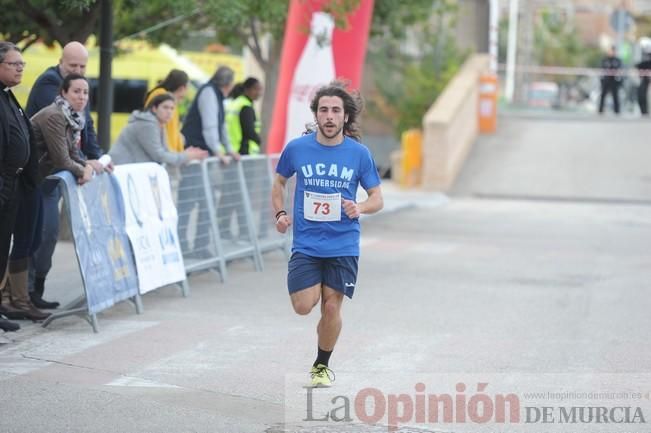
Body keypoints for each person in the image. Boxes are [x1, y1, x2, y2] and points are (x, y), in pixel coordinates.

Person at [271, 80, 384, 387]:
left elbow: (377, 198)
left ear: (346, 116)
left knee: (332, 306)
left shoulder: (359, 154)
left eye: (336, 110)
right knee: (303, 307)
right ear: (316, 115)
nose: (330, 116)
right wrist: (280, 213)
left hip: (343, 243)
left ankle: (321, 365)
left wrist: (359, 207)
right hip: (306, 244)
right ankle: (314, 290)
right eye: (324, 110)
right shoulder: (297, 148)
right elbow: (279, 182)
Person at [25, 41, 110, 308]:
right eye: (73, 66)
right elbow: (62, 151)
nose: (79, 71)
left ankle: (33, 292)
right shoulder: (50, 95)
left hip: (52, 177)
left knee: (46, 235)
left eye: (83, 67)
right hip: (37, 178)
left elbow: (85, 132)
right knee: (39, 234)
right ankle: (23, 295)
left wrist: (93, 159)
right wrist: (84, 166)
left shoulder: (77, 100)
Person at [0, 42, 41, 331]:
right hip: (2, 182)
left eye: (22, 64)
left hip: (13, 183)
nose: (20, 68)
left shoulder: (9, 97)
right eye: (15, 64)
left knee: (4, 248)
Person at [177, 66, 237, 256]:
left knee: (205, 201)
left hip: (202, 156)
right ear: (227, 85)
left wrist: (229, 149)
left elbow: (221, 126)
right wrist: (220, 152)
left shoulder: (215, 95)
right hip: (196, 155)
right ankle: (183, 245)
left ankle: (200, 246)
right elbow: (210, 126)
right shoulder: (209, 93)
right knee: (189, 201)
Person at [110, 93, 207, 166]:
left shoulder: (159, 124)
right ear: (154, 109)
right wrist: (187, 156)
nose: (169, 112)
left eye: (172, 108)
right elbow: (159, 155)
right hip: (120, 171)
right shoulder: (147, 124)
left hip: (130, 172)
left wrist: (185, 154)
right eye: (165, 107)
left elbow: (165, 151)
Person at [221, 77, 264, 241]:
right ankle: (243, 233)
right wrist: (259, 141)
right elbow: (249, 132)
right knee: (241, 197)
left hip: (233, 155)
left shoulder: (235, 103)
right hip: (242, 157)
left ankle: (225, 229)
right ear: (248, 89)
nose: (259, 93)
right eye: (256, 89)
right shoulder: (245, 106)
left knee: (231, 196)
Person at [144, 69, 189, 153]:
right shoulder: (162, 96)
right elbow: (169, 133)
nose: (169, 111)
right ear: (182, 88)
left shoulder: (164, 96)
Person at [599, 46, 623, 115]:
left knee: (615, 96)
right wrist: (602, 80)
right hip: (606, 80)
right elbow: (601, 69)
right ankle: (600, 110)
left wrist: (619, 81)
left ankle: (617, 111)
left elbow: (620, 70)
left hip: (614, 81)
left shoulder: (617, 60)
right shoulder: (605, 60)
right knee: (603, 95)